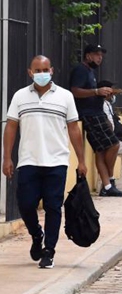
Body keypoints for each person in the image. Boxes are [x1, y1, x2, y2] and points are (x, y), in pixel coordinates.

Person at [2, 55, 88, 269]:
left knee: (53, 207)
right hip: (28, 160)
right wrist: (6, 157)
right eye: (37, 70)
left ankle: (49, 250)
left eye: (45, 69)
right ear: (30, 72)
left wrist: (82, 160)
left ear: (52, 70)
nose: (41, 73)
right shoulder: (20, 96)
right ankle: (35, 234)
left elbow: (74, 129)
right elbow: (11, 126)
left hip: (56, 161)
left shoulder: (65, 97)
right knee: (26, 204)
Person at [69, 44, 122, 197]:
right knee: (114, 144)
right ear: (88, 56)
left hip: (96, 112)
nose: (100, 58)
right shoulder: (81, 70)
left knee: (100, 151)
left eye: (101, 55)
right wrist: (96, 91)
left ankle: (107, 186)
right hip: (90, 115)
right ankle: (110, 178)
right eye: (96, 54)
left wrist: (102, 94)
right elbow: (75, 91)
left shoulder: (90, 72)